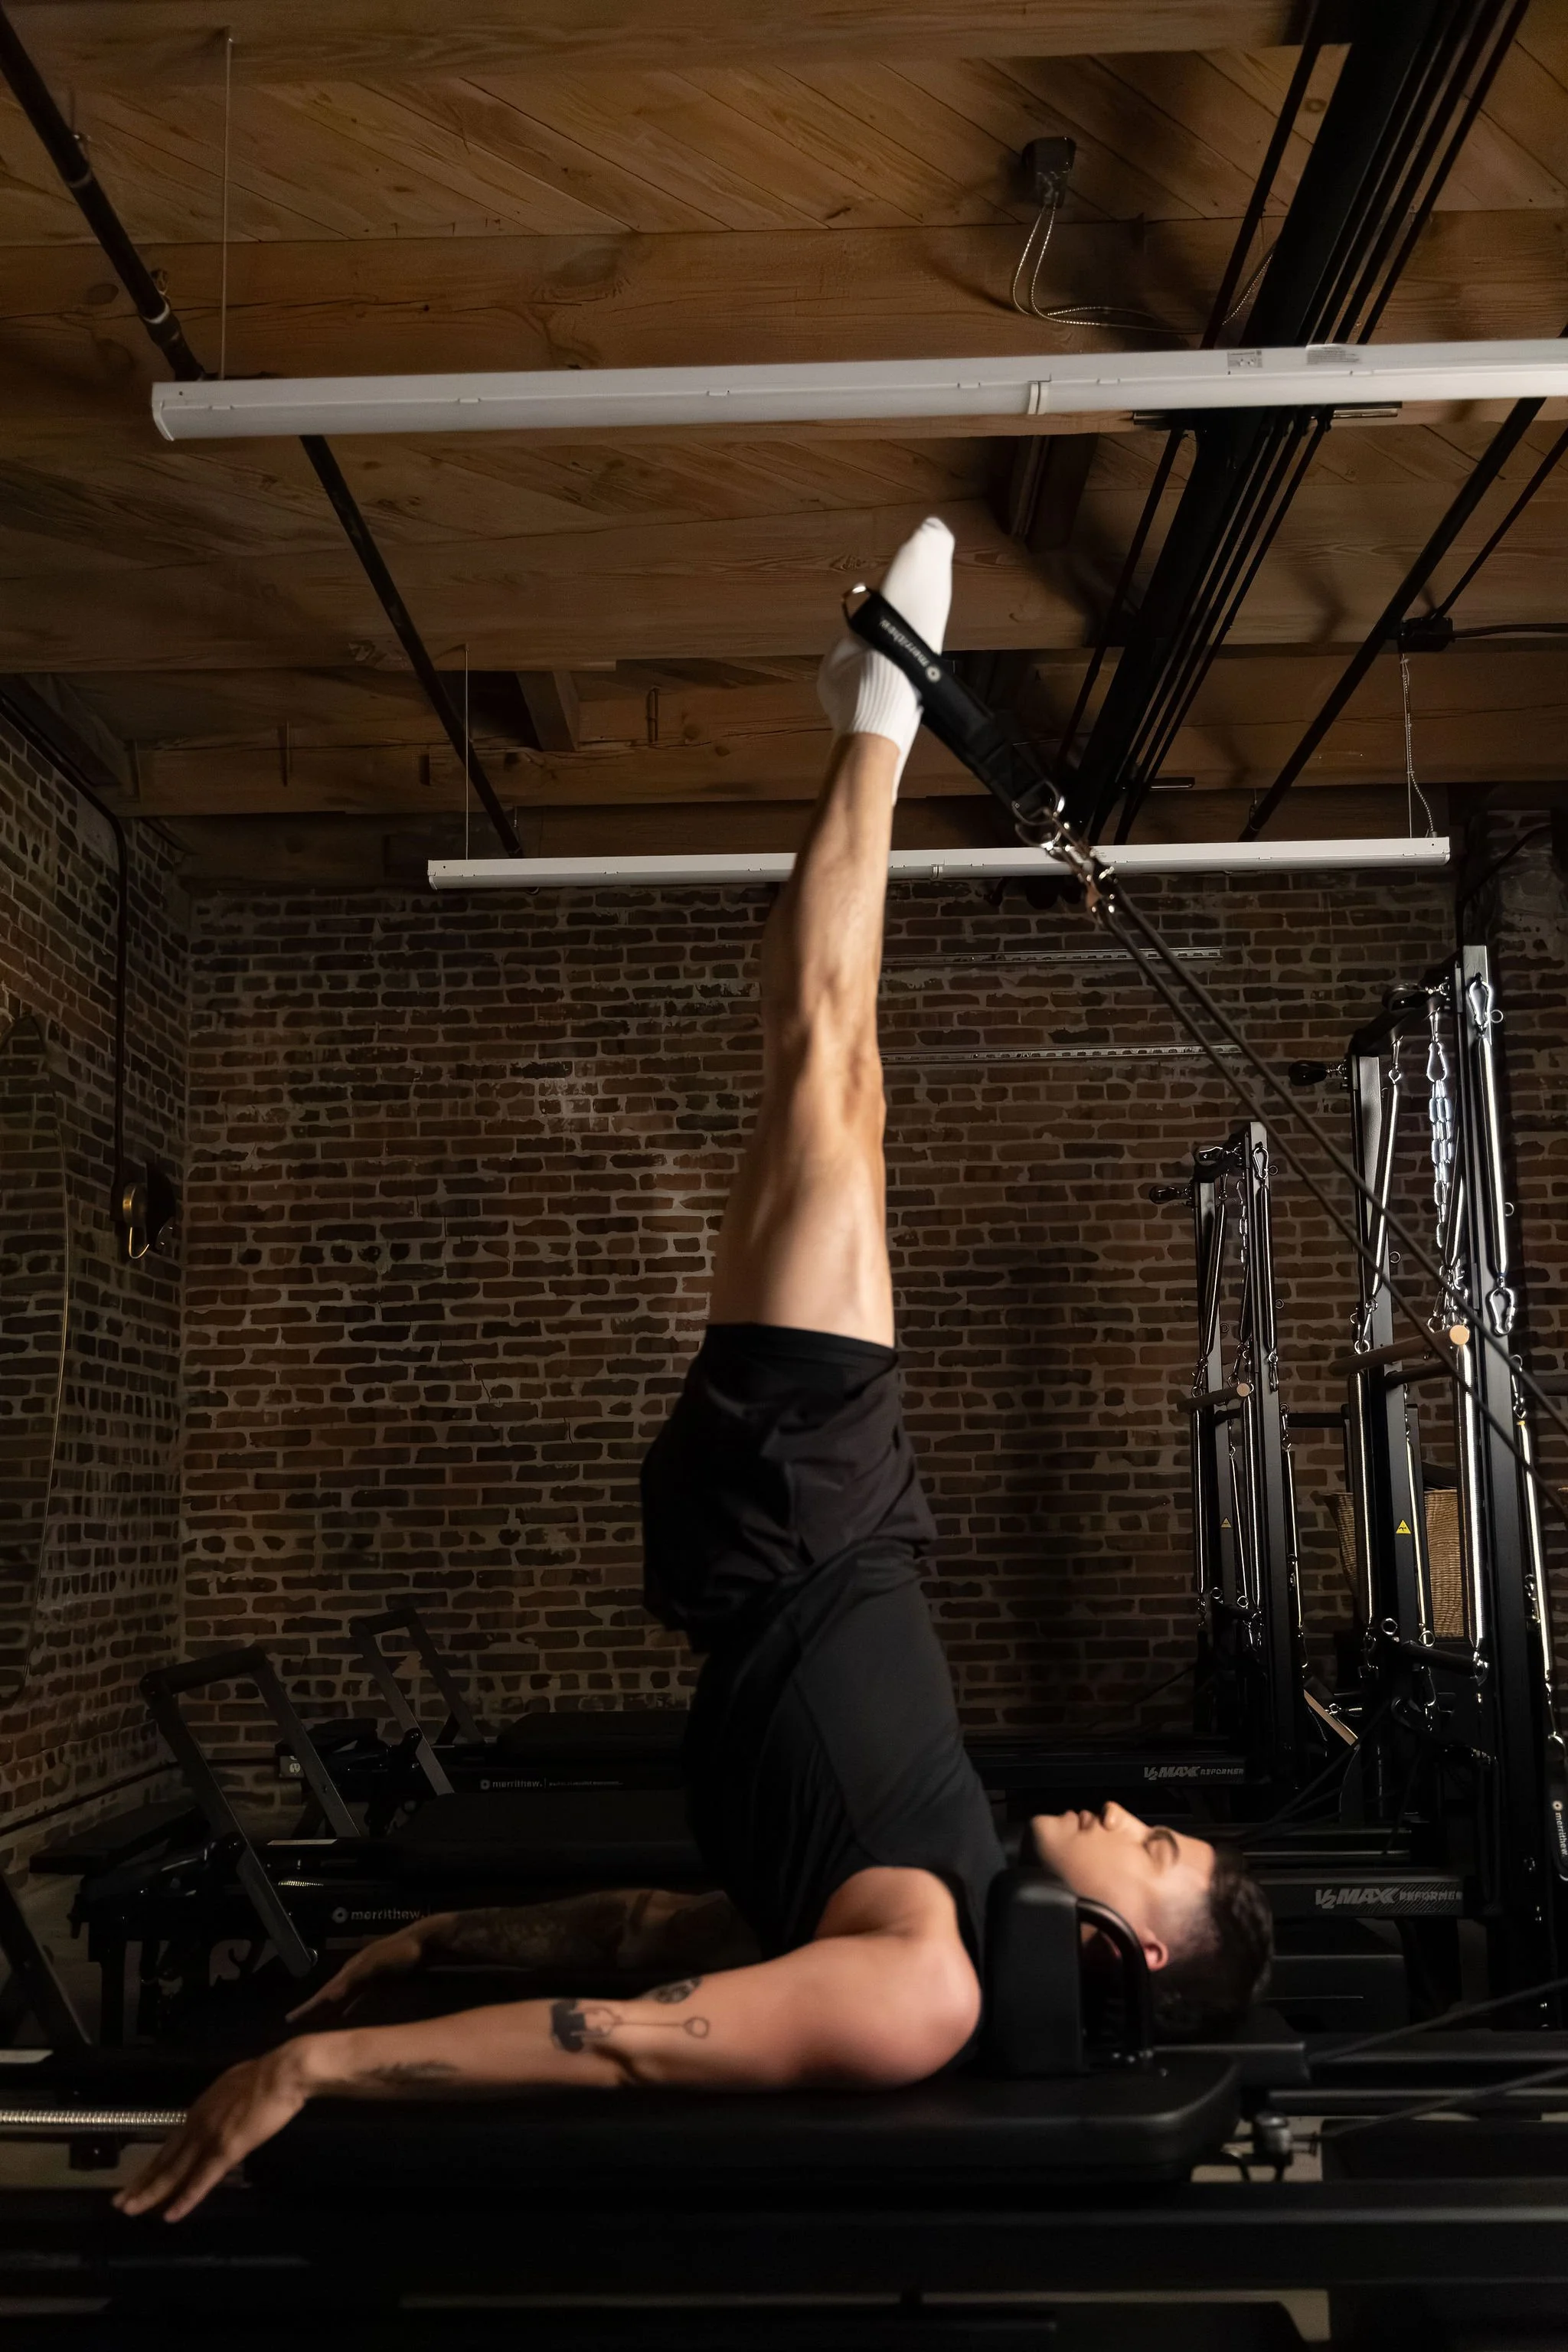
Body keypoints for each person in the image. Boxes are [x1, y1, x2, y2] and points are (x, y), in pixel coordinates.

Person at [117, 518, 1271, 2225]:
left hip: (800, 1523)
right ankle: (865, 711)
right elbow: (645, 1936)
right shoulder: (909, 1918)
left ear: (1126, 1947)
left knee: (828, 1063)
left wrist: (316, 2067)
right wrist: (435, 1941)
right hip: (832, 1525)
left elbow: (633, 2035)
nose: (1121, 1811)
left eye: (1152, 1850)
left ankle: (879, 707)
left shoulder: (921, 1984)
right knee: (821, 1077)